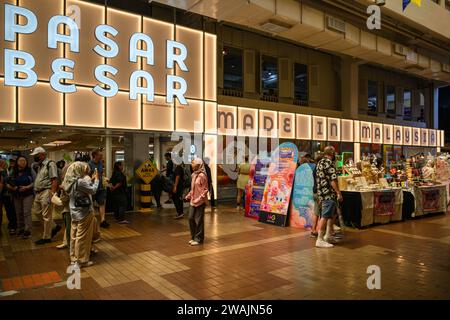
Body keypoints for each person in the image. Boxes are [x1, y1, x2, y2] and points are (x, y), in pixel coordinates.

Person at [68, 162, 99, 268]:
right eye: (83, 169)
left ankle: (73, 257)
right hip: (83, 212)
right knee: (82, 237)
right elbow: (93, 190)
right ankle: (81, 261)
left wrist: (91, 179)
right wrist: (97, 180)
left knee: (74, 236)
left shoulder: (70, 180)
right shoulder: (80, 181)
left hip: (74, 210)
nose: (85, 171)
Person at [31, 147, 62, 245]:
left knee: (46, 216)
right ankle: (54, 226)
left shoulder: (50, 164)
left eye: (37, 155)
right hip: (38, 192)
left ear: (42, 154)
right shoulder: (40, 165)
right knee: (36, 212)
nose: (35, 157)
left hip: (46, 191)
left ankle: (46, 237)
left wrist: (51, 194)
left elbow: (54, 180)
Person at [315, 146, 343, 248]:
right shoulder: (329, 163)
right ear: (332, 153)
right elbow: (333, 180)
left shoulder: (320, 163)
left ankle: (328, 236)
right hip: (328, 194)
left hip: (321, 193)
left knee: (329, 215)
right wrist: (338, 192)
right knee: (325, 216)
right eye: (334, 153)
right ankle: (320, 239)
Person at [6, 156, 34, 239]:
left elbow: (35, 181)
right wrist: (12, 188)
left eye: (24, 161)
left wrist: (27, 187)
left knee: (26, 212)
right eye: (21, 161)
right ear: (17, 162)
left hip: (28, 194)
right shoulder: (13, 171)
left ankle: (27, 230)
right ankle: (21, 228)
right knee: (18, 212)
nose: (23, 162)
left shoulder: (30, 170)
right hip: (16, 195)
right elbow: (7, 182)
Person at [185, 158, 209, 246]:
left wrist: (199, 198)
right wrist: (189, 195)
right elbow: (193, 189)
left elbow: (205, 190)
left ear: (199, 165)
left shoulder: (203, 175)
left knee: (199, 220)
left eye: (193, 164)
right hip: (192, 200)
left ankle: (198, 238)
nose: (192, 166)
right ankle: (193, 236)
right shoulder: (193, 175)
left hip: (200, 201)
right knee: (190, 218)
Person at [89, 150, 109, 229]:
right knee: (90, 205)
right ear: (95, 155)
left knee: (102, 203)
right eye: (100, 155)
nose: (101, 156)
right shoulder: (89, 164)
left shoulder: (101, 163)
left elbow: (101, 174)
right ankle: (91, 221)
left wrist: (104, 179)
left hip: (101, 187)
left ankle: (103, 220)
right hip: (92, 188)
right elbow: (88, 177)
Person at [1, 157, 18, 235]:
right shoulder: (3, 171)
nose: (3, 165)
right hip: (4, 194)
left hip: (12, 193)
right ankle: (12, 224)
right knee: (8, 211)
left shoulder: (13, 171)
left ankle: (13, 226)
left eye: (4, 163)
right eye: (2, 164)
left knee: (12, 211)